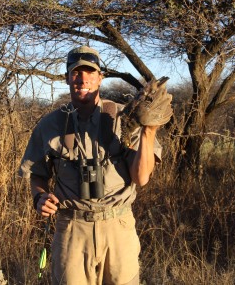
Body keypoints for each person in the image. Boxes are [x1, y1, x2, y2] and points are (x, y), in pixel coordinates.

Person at [20, 46, 162, 285]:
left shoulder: (125, 117)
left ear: (100, 77)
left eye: (90, 72)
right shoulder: (50, 124)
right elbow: (36, 174)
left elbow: (141, 178)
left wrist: (149, 130)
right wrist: (40, 198)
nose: (83, 78)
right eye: (76, 72)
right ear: (67, 77)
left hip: (118, 226)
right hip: (72, 228)